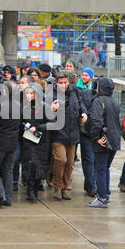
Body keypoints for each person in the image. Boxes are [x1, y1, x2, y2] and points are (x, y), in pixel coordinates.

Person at [47, 72, 87, 201]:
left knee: (70, 163)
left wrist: (84, 113)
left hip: (73, 133)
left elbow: (81, 105)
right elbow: (45, 115)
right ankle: (57, 186)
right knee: (61, 160)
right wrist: (51, 110)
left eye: (65, 82)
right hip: (58, 133)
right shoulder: (50, 94)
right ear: (56, 83)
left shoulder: (75, 92)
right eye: (60, 83)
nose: (63, 85)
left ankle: (66, 188)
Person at [0, 82, 22, 208]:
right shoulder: (19, 106)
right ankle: (8, 198)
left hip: (0, 141)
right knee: (8, 169)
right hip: (12, 142)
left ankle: (0, 195)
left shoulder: (1, 106)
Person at [88, 77, 121, 208]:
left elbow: (97, 121)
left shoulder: (98, 101)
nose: (95, 88)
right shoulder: (114, 102)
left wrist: (96, 138)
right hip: (113, 139)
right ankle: (105, 193)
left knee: (100, 169)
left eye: (97, 86)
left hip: (103, 140)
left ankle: (101, 198)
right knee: (105, 168)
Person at [21, 84, 51, 203]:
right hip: (28, 140)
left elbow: (51, 123)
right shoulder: (24, 108)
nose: (29, 95)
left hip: (41, 141)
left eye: (32, 93)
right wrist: (25, 126)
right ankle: (30, 191)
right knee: (29, 165)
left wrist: (38, 128)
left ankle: (35, 189)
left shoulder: (44, 107)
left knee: (39, 166)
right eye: (28, 93)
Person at [76, 68, 96, 197]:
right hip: (83, 129)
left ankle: (90, 184)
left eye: (86, 75)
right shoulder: (77, 89)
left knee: (93, 159)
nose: (83, 77)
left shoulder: (96, 89)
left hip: (94, 129)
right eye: (82, 75)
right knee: (88, 158)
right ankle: (91, 186)